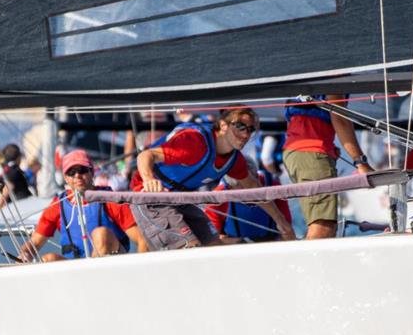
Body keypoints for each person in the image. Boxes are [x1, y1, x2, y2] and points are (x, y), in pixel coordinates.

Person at [132, 106, 295, 250]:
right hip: (151, 196)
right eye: (240, 126)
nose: (246, 134)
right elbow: (145, 155)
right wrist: (149, 179)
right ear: (223, 125)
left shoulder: (235, 160)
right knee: (190, 248)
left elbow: (255, 190)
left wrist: (283, 223)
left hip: (179, 198)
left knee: (215, 248)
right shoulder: (194, 141)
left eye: (250, 129)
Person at [19, 150, 147, 261]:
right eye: (71, 172)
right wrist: (24, 254)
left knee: (100, 234)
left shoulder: (110, 199)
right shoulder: (58, 205)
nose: (77, 175)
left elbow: (142, 240)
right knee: (48, 259)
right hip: (76, 267)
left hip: (112, 265)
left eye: (82, 170)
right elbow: (34, 242)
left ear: (91, 172)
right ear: (66, 178)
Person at [283, 94, 374, 239]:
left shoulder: (308, 75)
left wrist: (329, 147)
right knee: (323, 227)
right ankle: (303, 262)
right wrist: (360, 162)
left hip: (298, 152)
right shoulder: (334, 75)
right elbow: (340, 118)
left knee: (321, 224)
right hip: (311, 153)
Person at [204, 160, 292, 243]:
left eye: (250, 186)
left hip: (271, 244)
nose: (248, 193)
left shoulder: (273, 186)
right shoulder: (217, 197)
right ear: (230, 187)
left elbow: (288, 231)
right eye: (241, 188)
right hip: (236, 248)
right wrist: (242, 242)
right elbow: (212, 240)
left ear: (257, 180)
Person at [0, 143, 33, 209]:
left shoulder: (8, 170)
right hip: (22, 207)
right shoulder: (13, 171)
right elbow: (7, 189)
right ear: (18, 157)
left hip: (20, 206)